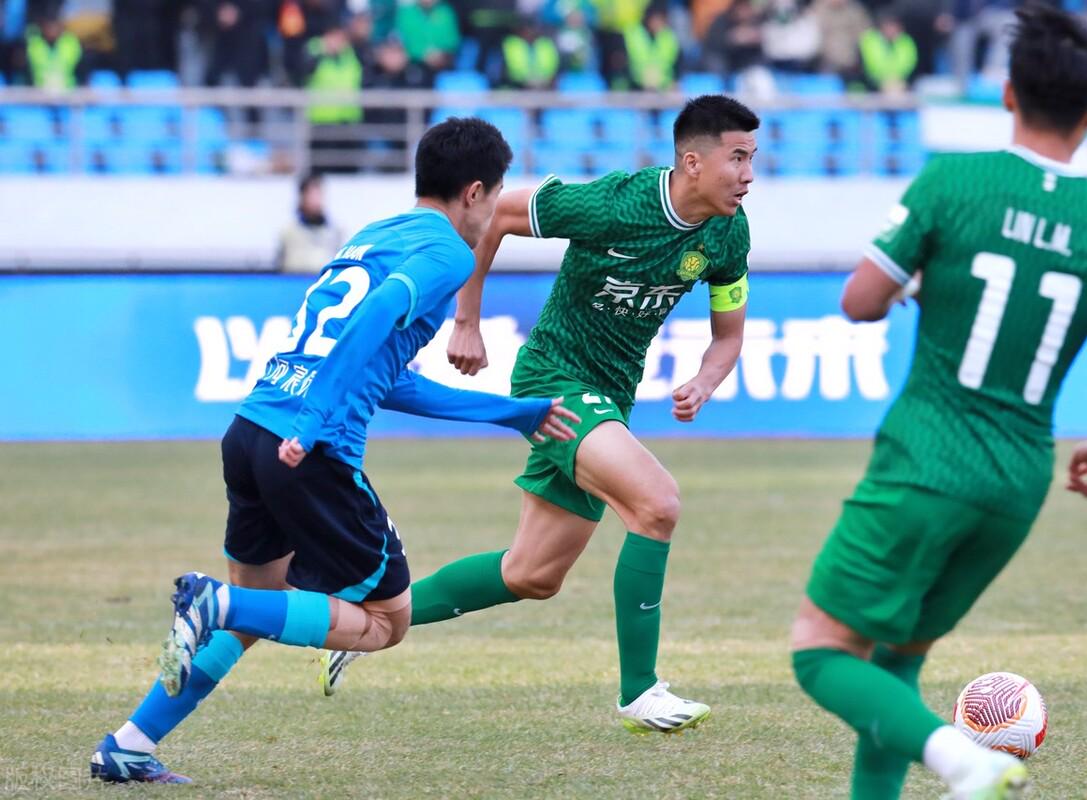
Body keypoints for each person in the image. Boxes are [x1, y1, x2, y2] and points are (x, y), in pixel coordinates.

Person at [88, 117, 581, 784]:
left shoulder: (373, 235)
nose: (492, 213)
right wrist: (317, 415)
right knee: (384, 622)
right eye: (494, 198)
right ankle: (213, 604)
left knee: (258, 608)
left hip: (252, 431)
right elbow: (378, 313)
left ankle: (130, 744)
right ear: (473, 192)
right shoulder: (448, 254)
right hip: (309, 447)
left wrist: (509, 412)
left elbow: (386, 376)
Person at [789, 6, 1087, 799]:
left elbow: (860, 302)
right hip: (1018, 480)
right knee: (898, 657)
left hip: (928, 457)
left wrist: (924, 280)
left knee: (819, 650)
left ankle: (964, 759)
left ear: (1007, 93)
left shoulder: (953, 183)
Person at [322, 95, 758, 734]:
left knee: (532, 574)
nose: (749, 175)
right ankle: (640, 691)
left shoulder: (728, 233)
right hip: (554, 378)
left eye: (753, 159)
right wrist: (466, 319)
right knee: (657, 503)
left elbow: (728, 337)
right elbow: (497, 214)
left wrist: (705, 381)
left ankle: (365, 617)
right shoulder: (614, 203)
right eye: (738, 158)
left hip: (610, 397)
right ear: (693, 162)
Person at [277, 172, 345, 273]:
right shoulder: (289, 232)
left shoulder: (335, 231)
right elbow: (281, 264)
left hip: (324, 279)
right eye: (311, 194)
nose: (316, 200)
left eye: (319, 194)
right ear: (302, 197)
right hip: (295, 279)